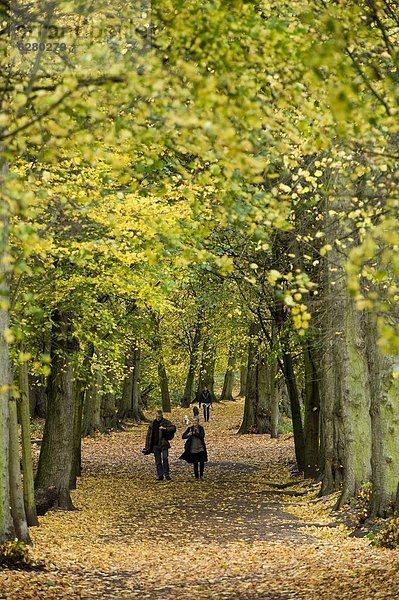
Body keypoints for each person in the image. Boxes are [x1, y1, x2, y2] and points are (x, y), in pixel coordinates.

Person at [143, 409, 176, 481]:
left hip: (164, 444)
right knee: (158, 461)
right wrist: (147, 447)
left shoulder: (166, 422)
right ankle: (160, 475)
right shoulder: (152, 424)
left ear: (162, 416)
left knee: (165, 459)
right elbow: (148, 436)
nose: (158, 418)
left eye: (159, 416)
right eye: (157, 416)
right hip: (155, 445)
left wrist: (165, 428)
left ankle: (167, 475)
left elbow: (173, 428)